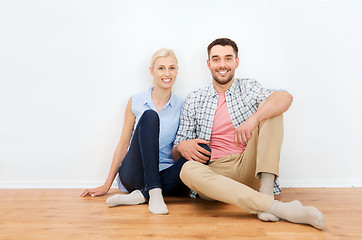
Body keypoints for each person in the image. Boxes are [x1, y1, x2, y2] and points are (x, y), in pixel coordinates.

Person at [172, 38, 325, 229]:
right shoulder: (194, 99)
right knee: (187, 170)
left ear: (236, 62)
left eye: (228, 58)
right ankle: (278, 208)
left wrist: (253, 119)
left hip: (248, 164)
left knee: (270, 110)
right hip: (215, 173)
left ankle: (266, 192)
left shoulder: (248, 87)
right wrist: (181, 146)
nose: (222, 65)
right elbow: (176, 151)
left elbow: (285, 97)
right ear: (208, 64)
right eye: (216, 59)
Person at [81, 48, 187, 215]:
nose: (167, 73)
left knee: (198, 159)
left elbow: (179, 148)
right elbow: (124, 144)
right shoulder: (136, 101)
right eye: (161, 68)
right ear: (152, 71)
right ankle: (154, 192)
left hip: (164, 173)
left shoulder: (183, 106)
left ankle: (141, 196)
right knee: (150, 116)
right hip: (135, 173)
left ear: (177, 71)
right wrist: (107, 184)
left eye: (172, 68)